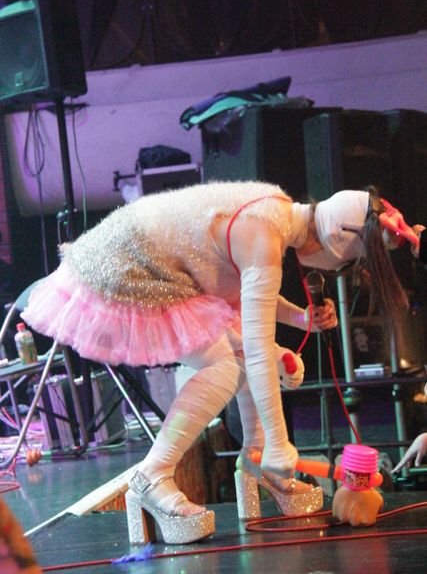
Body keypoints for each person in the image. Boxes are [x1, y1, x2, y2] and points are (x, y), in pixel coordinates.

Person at [21, 181, 416, 544]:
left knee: (240, 354)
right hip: (127, 268)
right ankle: (152, 476)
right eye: (348, 263)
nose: (339, 271)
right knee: (227, 366)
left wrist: (301, 318)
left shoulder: (276, 212)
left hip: (145, 263)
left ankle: (255, 459)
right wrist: (280, 445)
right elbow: (259, 348)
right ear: (336, 244)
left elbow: (240, 290)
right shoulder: (265, 234)